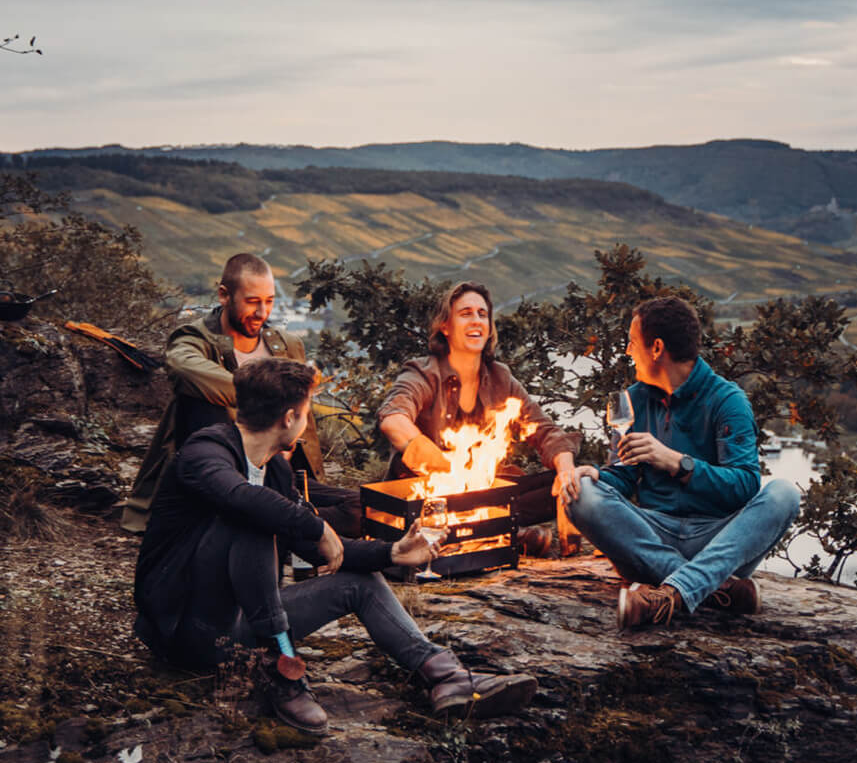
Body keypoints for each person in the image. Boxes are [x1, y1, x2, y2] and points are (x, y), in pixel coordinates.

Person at [133, 357, 538, 733]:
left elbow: (315, 548)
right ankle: (281, 668)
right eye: (306, 411)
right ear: (290, 417)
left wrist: (392, 552)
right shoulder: (204, 453)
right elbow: (246, 502)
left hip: (243, 630)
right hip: (186, 629)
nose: (306, 420)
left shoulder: (274, 469)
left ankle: (445, 675)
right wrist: (316, 525)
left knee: (358, 583)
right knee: (252, 519)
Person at [564, 295, 800, 628]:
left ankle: (673, 591)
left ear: (656, 348)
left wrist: (678, 463)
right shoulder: (628, 401)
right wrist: (599, 477)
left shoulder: (728, 400)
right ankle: (717, 587)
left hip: (716, 540)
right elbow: (623, 475)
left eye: (632, 344)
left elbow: (745, 487)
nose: (628, 353)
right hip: (652, 536)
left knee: (784, 494)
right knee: (580, 492)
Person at [121, 252, 359, 537]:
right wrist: (270, 399)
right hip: (220, 477)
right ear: (224, 295)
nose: (262, 313)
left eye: (269, 301)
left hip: (280, 477)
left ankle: (291, 522)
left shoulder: (287, 346)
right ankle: (289, 524)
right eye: (252, 301)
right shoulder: (195, 339)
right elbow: (183, 368)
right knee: (200, 398)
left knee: (362, 504)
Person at [377, 281, 581, 552]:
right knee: (413, 508)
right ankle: (504, 533)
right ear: (445, 327)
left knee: (577, 479)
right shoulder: (423, 373)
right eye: (465, 313)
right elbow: (393, 419)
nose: (476, 321)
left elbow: (546, 432)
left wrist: (566, 472)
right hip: (429, 497)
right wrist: (449, 469)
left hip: (483, 494)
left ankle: (491, 529)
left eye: (482, 314)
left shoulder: (500, 377)